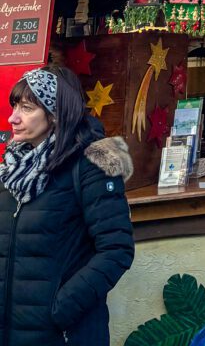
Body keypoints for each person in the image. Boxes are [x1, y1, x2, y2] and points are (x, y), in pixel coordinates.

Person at [0, 65, 134, 346]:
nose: (13, 118)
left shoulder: (92, 163)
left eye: (26, 108)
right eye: (15, 106)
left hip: (62, 334)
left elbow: (116, 249)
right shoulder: (12, 170)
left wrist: (61, 308)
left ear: (55, 113)